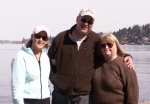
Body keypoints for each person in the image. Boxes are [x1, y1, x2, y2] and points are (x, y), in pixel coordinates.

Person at [48, 8, 134, 104]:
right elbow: (48, 60)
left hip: (84, 96)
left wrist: (127, 56)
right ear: (77, 19)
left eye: (90, 22)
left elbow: (109, 52)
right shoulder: (61, 38)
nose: (86, 23)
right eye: (83, 19)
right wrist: (55, 79)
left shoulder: (96, 40)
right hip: (60, 95)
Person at [92, 33, 139, 104]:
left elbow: (132, 94)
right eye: (103, 45)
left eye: (110, 45)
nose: (106, 47)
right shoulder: (96, 64)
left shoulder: (126, 65)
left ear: (116, 46)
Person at [11, 25, 51, 104]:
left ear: (47, 40)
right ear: (32, 37)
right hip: (28, 100)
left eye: (44, 38)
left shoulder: (45, 57)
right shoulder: (20, 57)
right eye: (38, 36)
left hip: (45, 100)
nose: (41, 40)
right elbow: (16, 87)